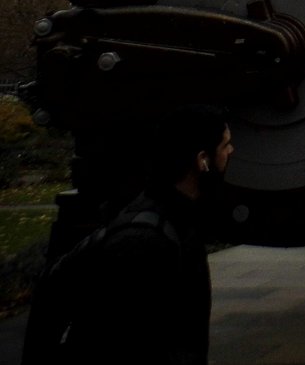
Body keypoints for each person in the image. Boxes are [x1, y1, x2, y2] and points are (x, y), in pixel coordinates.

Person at [26, 105, 233, 365]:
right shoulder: (143, 241)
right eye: (225, 145)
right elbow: (129, 344)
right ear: (202, 160)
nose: (231, 152)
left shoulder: (174, 219)